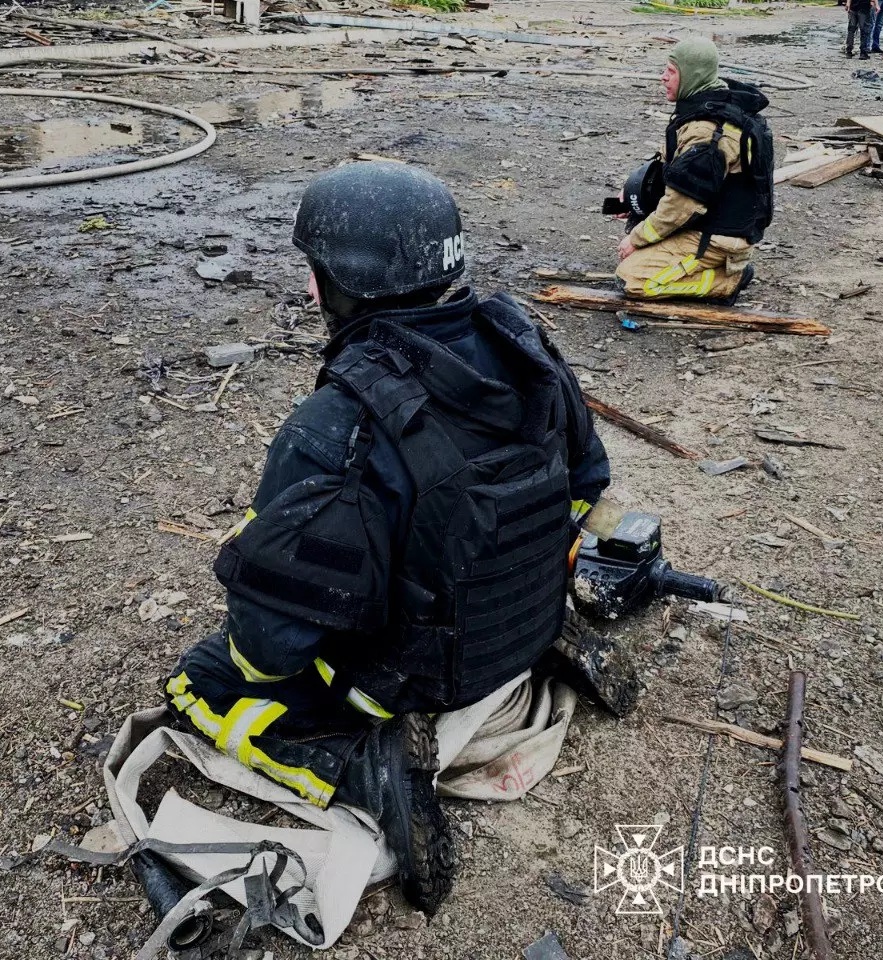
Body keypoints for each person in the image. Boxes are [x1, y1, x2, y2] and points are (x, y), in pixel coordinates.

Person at [164, 162, 611, 917]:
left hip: (415, 677)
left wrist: (258, 557)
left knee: (200, 681)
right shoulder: (522, 344)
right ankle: (535, 640)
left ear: (330, 283)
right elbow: (587, 486)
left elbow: (268, 646)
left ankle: (360, 765)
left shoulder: (336, 427)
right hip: (518, 622)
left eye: (313, 272)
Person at [615, 36, 774, 305]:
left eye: (672, 72)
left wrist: (637, 238)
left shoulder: (708, 132)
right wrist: (633, 195)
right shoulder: (702, 108)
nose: (663, 78)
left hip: (720, 236)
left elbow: (683, 203)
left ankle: (727, 281)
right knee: (636, 238)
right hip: (707, 218)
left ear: (692, 75)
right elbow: (672, 167)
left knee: (632, 280)